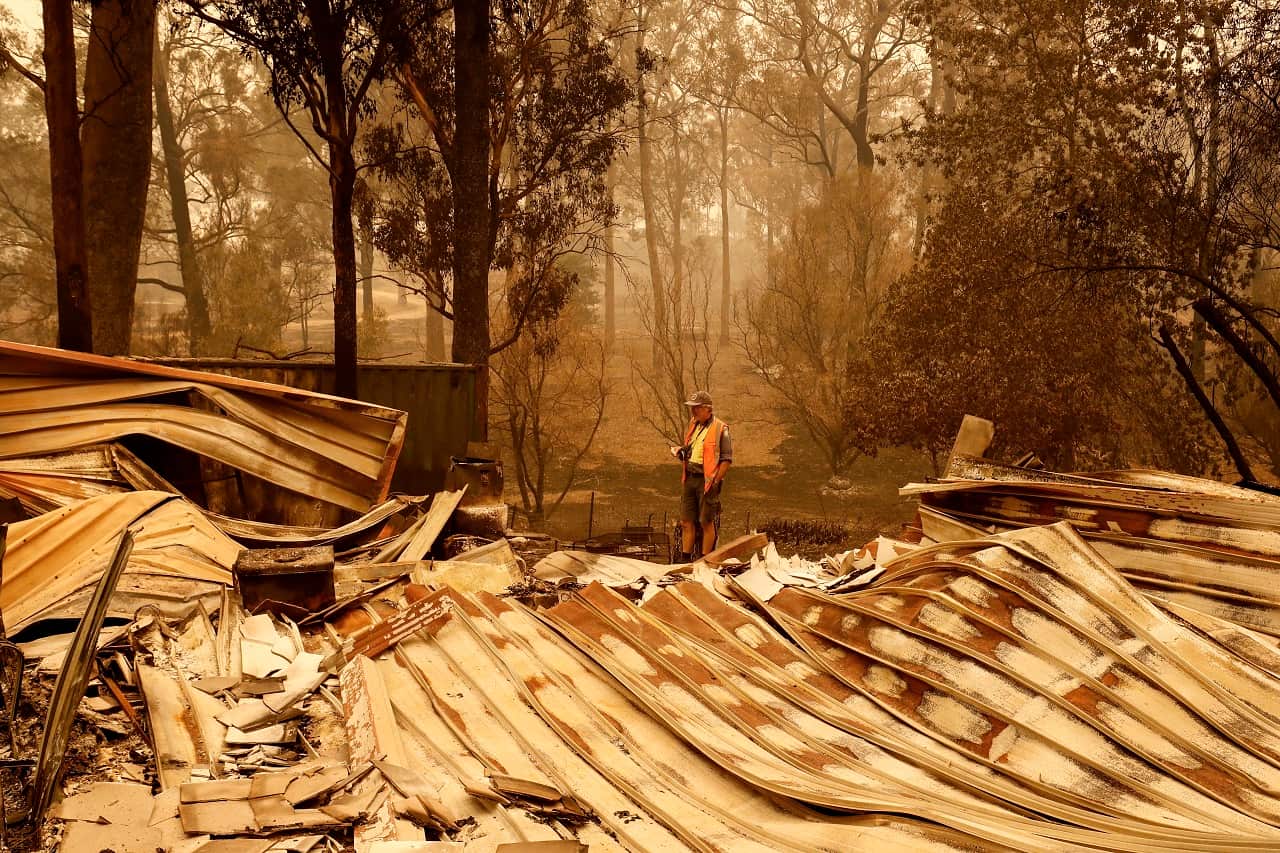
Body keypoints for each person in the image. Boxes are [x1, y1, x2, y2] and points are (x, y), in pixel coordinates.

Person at [670, 390, 732, 561]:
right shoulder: (694, 424)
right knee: (686, 522)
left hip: (707, 482)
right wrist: (681, 451)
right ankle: (684, 560)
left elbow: (726, 459)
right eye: (692, 408)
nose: (693, 411)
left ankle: (705, 561)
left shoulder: (721, 428)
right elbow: (692, 447)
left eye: (696, 408)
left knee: (706, 522)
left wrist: (715, 481)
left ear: (707, 409)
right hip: (689, 478)